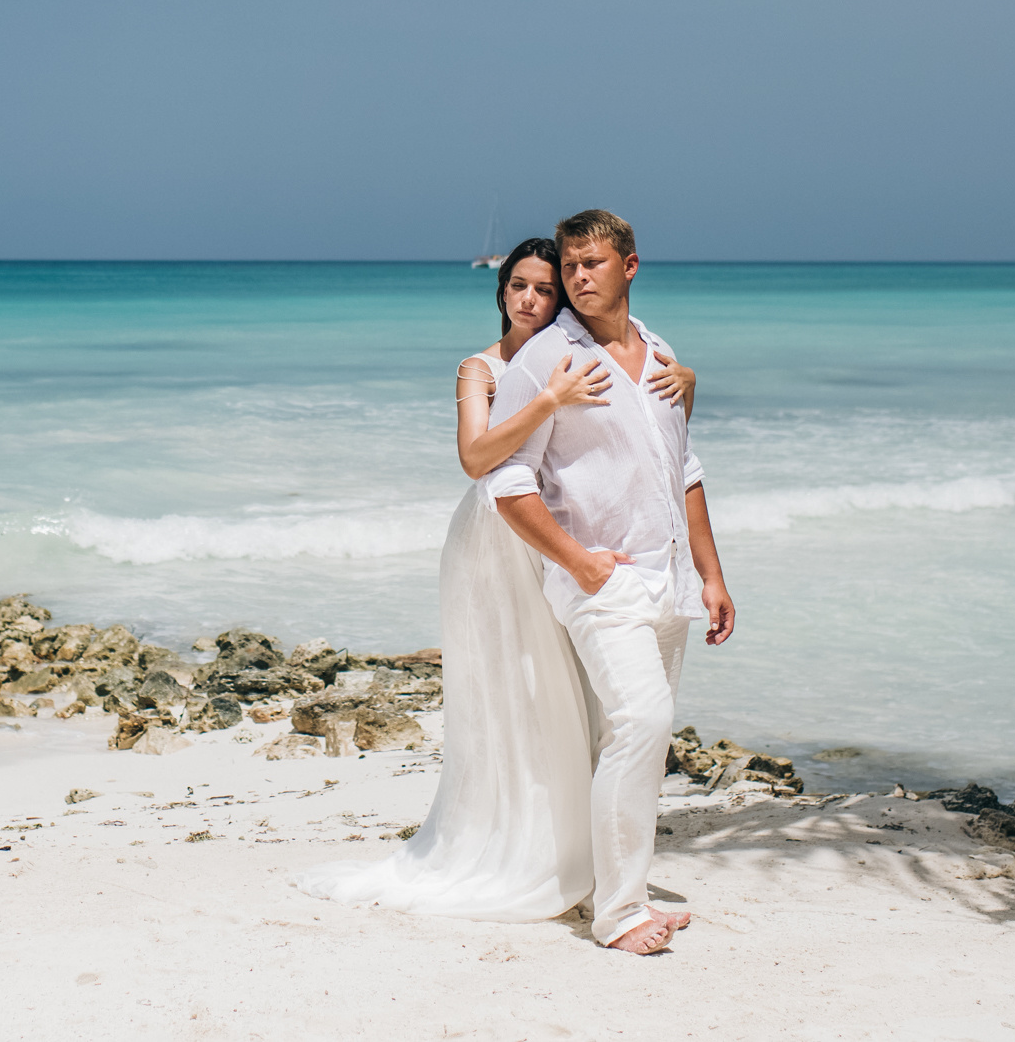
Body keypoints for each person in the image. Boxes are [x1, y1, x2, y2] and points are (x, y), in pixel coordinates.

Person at [296, 237, 697, 925]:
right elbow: (477, 456)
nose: (530, 300)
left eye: (544, 289)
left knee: (575, 701)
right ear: (500, 291)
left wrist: (685, 382)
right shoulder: (482, 367)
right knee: (520, 694)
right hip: (496, 545)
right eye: (518, 286)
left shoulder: (577, 353)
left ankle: (582, 859)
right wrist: (548, 401)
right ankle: (526, 848)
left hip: (558, 540)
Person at [485, 209, 736, 955]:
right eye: (569, 267)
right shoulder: (547, 359)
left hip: (669, 580)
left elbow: (682, 472)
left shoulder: (660, 352)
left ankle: (616, 886)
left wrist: (712, 575)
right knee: (642, 723)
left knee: (634, 740)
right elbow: (507, 482)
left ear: (630, 266)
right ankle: (620, 915)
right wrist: (577, 560)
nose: (577, 279)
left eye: (592, 264)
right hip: (599, 582)